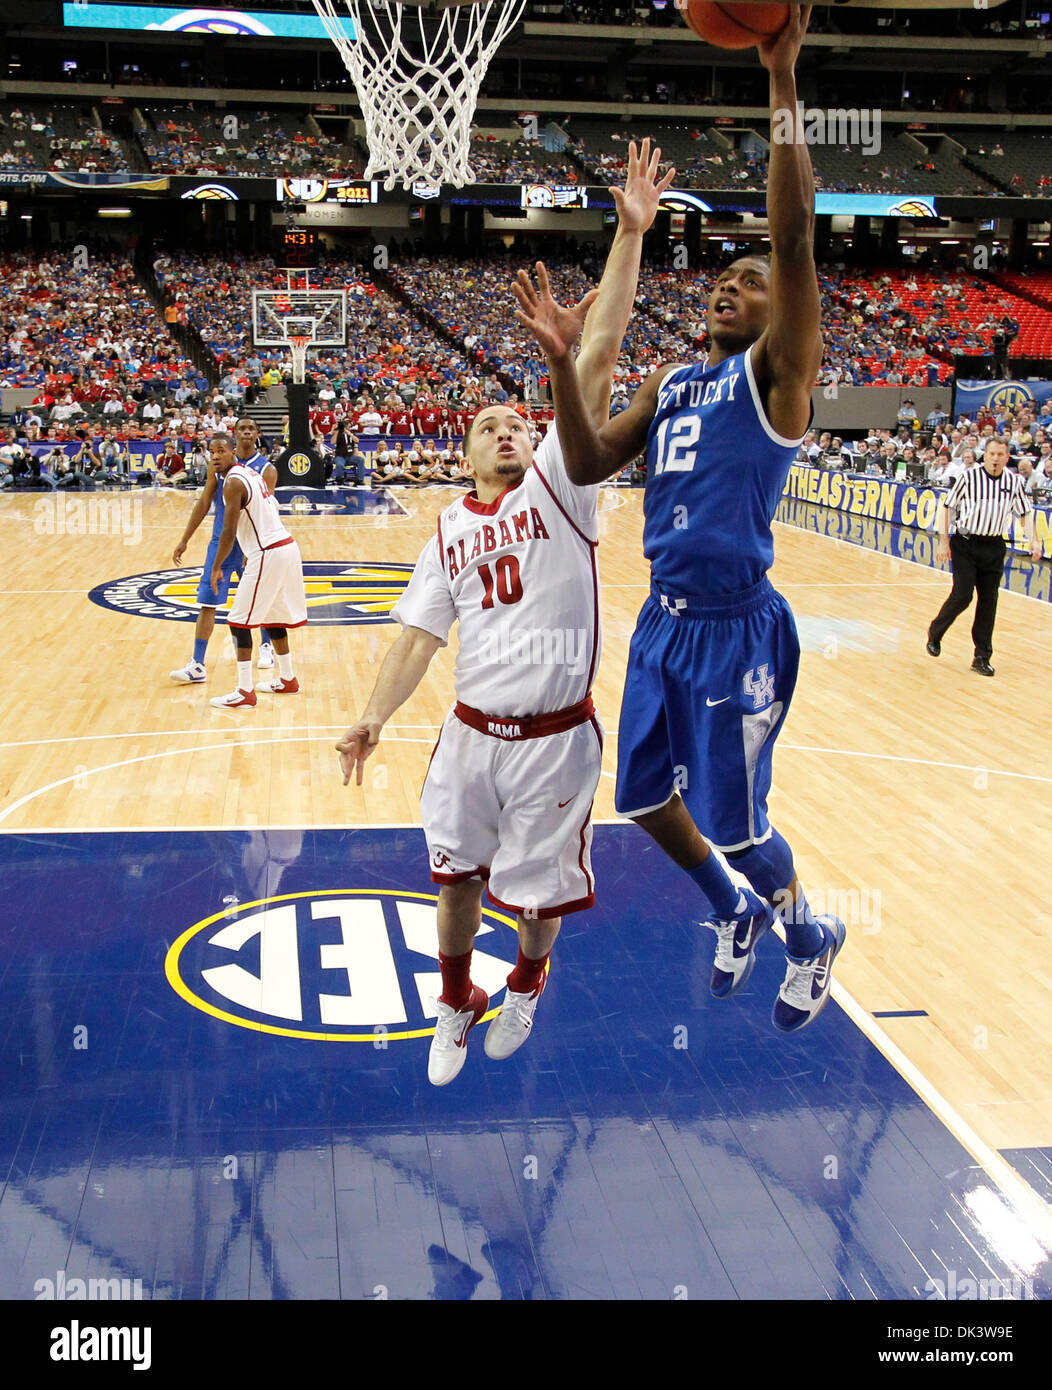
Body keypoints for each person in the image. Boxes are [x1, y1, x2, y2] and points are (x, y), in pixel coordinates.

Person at [516, 7, 844, 1035]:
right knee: (644, 802)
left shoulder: (780, 378)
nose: (729, 286)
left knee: (740, 829)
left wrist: (781, 78)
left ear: (775, 310)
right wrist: (566, 368)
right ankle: (734, 916)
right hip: (662, 621)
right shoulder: (671, 383)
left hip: (738, 626)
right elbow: (581, 458)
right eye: (719, 277)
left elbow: (791, 234)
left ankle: (806, 934)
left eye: (749, 284)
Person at [336, 139, 674, 1086]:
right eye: (490, 424)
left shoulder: (561, 484)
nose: (508, 429)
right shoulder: (445, 527)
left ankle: (524, 980)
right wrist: (372, 714)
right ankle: (454, 1000)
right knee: (450, 881)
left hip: (555, 738)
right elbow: (414, 636)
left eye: (517, 422)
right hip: (470, 733)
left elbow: (597, 356)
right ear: (466, 448)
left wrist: (629, 235)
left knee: (535, 899)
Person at [170, 417, 275, 684]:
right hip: (222, 542)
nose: (247, 432)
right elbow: (204, 502)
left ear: (257, 433)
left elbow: (267, 512)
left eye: (251, 428)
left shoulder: (265, 469)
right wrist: (185, 539)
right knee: (207, 601)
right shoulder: (217, 467)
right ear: (235, 435)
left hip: (252, 543)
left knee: (260, 599)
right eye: (242, 428)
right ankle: (197, 663)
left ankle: (266, 646)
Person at [927, 436, 1042, 676]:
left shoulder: (1014, 482)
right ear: (985, 455)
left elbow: (1024, 513)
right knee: (962, 595)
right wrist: (944, 540)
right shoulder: (969, 477)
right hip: (966, 543)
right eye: (992, 454)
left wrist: (1034, 540)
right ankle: (936, 632)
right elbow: (948, 507)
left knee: (989, 601)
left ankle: (981, 656)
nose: (996, 459)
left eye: (1001, 455)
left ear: (1007, 457)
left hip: (993, 545)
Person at [208, 433, 307, 709]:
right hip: (284, 546)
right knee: (274, 618)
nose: (215, 456)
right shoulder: (250, 473)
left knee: (238, 621)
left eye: (221, 450)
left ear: (232, 453)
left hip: (269, 552)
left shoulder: (233, 482)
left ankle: (244, 691)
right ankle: (288, 679)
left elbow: (228, 530)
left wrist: (217, 566)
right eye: (211, 452)